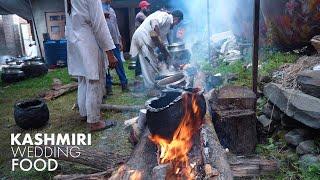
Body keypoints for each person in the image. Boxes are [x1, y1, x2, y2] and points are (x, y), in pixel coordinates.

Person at [65, 0, 118, 131]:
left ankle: (84, 113)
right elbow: (99, 25)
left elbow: (80, 14)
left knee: (83, 79)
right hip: (87, 39)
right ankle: (94, 121)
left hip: (75, 39)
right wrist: (110, 53)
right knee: (95, 80)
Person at [130, 10, 184, 89]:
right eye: (178, 23)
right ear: (177, 19)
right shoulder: (165, 16)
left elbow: (163, 45)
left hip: (146, 41)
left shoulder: (167, 27)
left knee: (153, 63)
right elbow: (154, 23)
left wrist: (170, 58)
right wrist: (157, 36)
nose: (176, 25)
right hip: (142, 37)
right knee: (148, 65)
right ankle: (150, 89)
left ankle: (152, 85)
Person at [102, 0, 129, 94]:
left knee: (119, 63)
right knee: (106, 64)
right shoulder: (98, 8)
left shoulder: (112, 10)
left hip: (114, 41)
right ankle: (108, 87)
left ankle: (124, 84)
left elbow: (116, 26)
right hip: (103, 41)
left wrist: (120, 40)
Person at [134, 1, 151, 77]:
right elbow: (149, 22)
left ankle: (141, 71)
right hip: (140, 37)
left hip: (143, 37)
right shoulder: (140, 15)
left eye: (148, 7)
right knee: (140, 54)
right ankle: (138, 72)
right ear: (142, 7)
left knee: (142, 53)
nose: (148, 8)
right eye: (146, 7)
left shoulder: (144, 15)